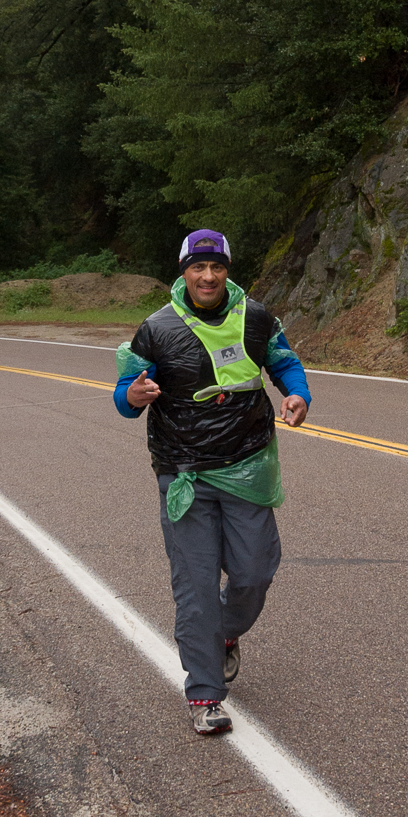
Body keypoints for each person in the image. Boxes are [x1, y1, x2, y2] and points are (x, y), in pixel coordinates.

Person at [115, 229, 311, 736]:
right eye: (197, 268)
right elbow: (123, 395)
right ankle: (204, 694)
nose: (207, 277)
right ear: (183, 272)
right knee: (196, 587)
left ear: (227, 269)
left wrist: (296, 394)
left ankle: (223, 635)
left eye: (216, 267)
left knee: (253, 574)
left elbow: (284, 362)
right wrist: (134, 395)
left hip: (247, 466)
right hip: (183, 475)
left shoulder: (257, 317)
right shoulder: (156, 329)